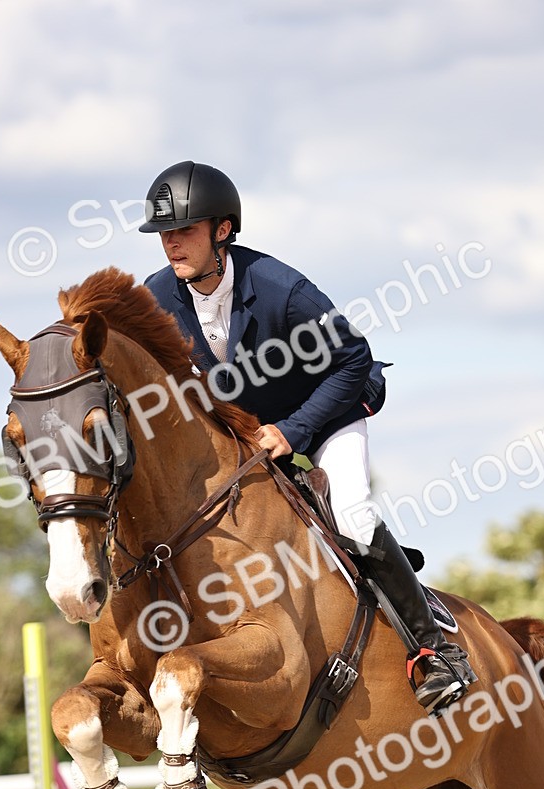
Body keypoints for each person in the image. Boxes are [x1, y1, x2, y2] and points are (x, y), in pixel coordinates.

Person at [139, 160, 475, 712]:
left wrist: (294, 432)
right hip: (252, 429)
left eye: (185, 230)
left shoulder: (279, 287)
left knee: (351, 513)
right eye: (165, 234)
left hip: (329, 408)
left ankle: (434, 652)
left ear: (223, 230)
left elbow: (352, 359)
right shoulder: (159, 297)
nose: (172, 244)